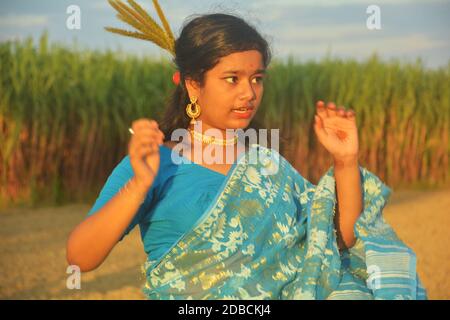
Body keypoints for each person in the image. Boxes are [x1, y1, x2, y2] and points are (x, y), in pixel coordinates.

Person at [66, 1, 427, 300]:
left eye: (257, 78)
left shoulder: (265, 162)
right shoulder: (154, 163)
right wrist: (137, 187)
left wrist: (346, 162)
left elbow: (335, 242)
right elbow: (79, 259)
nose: (249, 93)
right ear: (193, 85)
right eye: (232, 79)